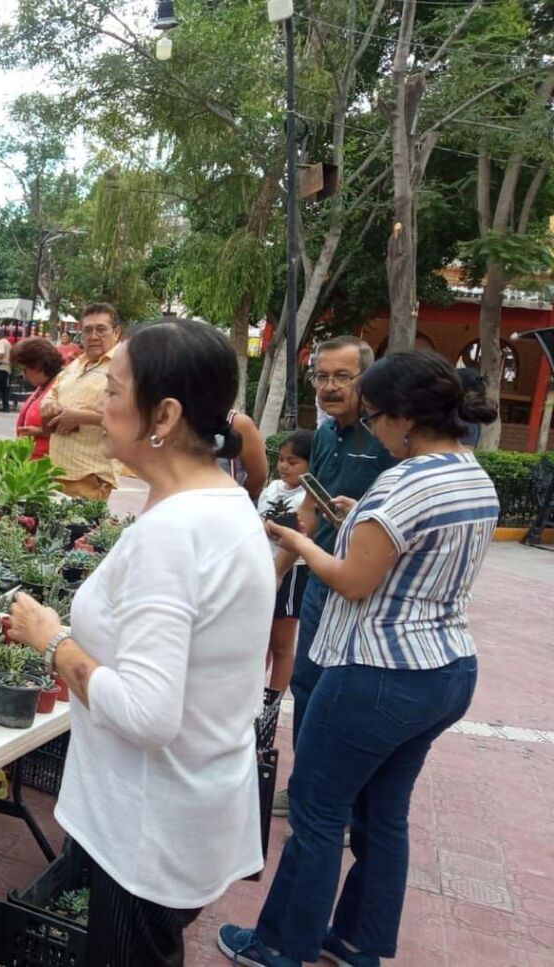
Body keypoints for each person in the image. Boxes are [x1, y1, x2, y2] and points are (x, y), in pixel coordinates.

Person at [219, 351, 500, 967]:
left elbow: (351, 581)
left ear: (405, 418)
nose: (369, 428)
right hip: (446, 669)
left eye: (374, 416)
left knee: (318, 814)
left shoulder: (404, 481)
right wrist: (357, 519)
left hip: (377, 673)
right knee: (384, 816)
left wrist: (297, 539)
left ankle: (278, 945)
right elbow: (406, 551)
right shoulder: (470, 473)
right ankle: (357, 941)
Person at [8, 320, 275, 967]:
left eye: (114, 390)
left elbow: (149, 713)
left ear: (165, 413)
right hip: (183, 806)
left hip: (147, 826)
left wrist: (54, 642)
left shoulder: (177, 530)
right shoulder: (223, 500)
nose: (99, 403)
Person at [271, 335, 396, 819]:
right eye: (322, 376)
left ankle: (337, 805)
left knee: (347, 696)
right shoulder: (323, 436)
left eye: (342, 376)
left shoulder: (387, 437)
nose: (329, 386)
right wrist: (276, 574)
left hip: (368, 592)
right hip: (321, 583)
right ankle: (306, 787)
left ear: (366, 378)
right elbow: (309, 511)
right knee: (307, 683)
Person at [42, 303, 124, 499]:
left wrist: (80, 417)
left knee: (80, 529)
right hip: (56, 472)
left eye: (101, 329)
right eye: (87, 330)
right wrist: (50, 406)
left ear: (117, 332)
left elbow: (132, 415)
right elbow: (51, 394)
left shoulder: (125, 364)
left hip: (90, 477)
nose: (93, 336)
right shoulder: (77, 363)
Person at [256, 429, 314, 697]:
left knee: (281, 643)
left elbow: (298, 534)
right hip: (264, 568)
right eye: (281, 460)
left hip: (291, 573)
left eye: (293, 462)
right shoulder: (271, 489)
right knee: (260, 641)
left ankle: (273, 702)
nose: (284, 466)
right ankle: (255, 694)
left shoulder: (308, 497)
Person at [11, 337, 64, 460]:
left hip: (46, 461)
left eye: (25, 369)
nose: (24, 375)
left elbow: (69, 427)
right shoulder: (42, 386)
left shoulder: (60, 387)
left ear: (39, 366)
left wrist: (39, 432)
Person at [220, 408, 270, 502]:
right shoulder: (186, 421)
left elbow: (258, 476)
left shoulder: (238, 423)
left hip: (231, 505)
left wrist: (238, 501)